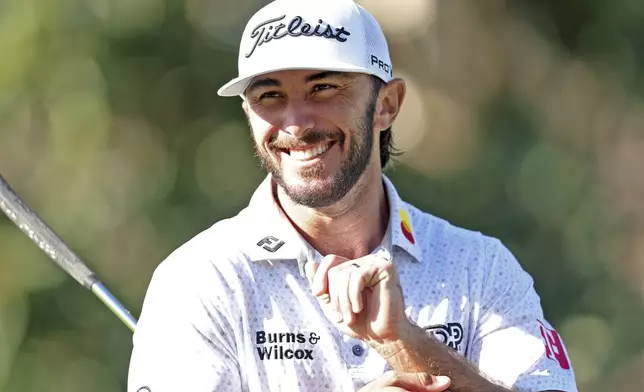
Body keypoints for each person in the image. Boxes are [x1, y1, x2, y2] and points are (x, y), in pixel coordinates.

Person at [127, 0, 579, 391]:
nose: (296, 123)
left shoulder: (478, 267)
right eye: (270, 95)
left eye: (323, 88)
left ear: (387, 105)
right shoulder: (200, 281)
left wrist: (404, 341)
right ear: (248, 113)